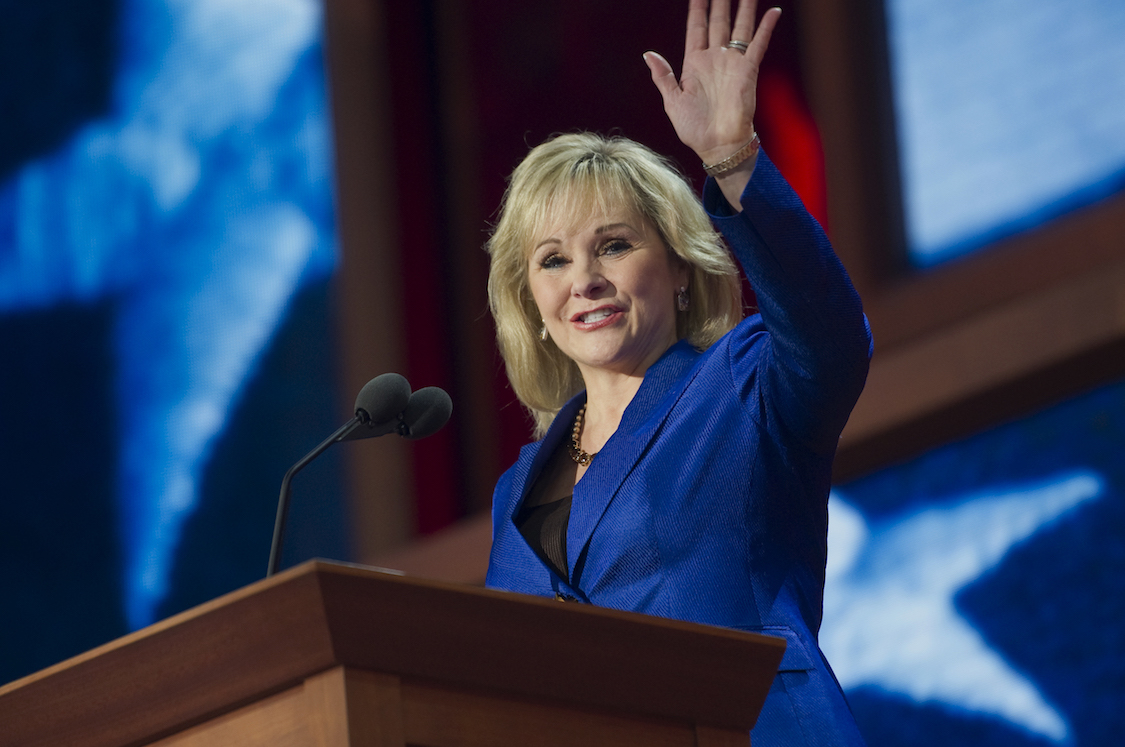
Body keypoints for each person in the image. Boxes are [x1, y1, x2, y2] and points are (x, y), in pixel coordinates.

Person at [483, 1, 871, 744]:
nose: (584, 280)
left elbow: (831, 338)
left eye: (615, 245)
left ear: (682, 272)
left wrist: (732, 161)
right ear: (531, 303)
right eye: (553, 260)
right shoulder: (516, 494)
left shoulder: (743, 386)